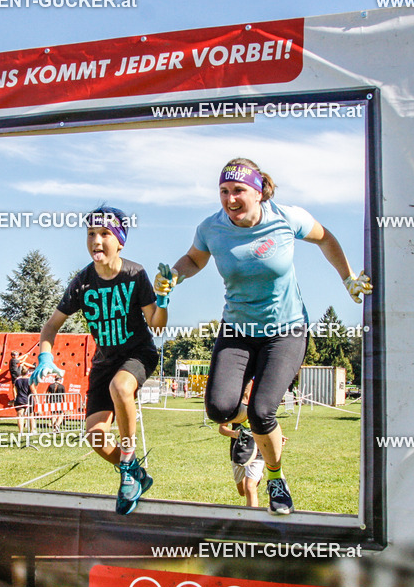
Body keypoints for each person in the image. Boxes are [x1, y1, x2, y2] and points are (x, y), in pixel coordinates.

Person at [155, 158, 371, 515]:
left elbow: (326, 238)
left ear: (258, 192)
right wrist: (174, 277)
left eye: (238, 190)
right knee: (219, 409)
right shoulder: (211, 228)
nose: (230, 199)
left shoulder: (286, 218)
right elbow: (194, 259)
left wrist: (347, 277)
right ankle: (263, 431)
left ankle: (276, 478)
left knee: (260, 411)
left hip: (285, 331)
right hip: (237, 330)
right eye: (224, 191)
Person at [32, 205, 167, 515]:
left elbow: (157, 325)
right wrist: (44, 355)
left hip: (138, 354)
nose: (96, 240)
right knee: (95, 437)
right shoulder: (82, 281)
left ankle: (129, 458)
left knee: (121, 388)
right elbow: (51, 325)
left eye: (105, 233)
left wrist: (165, 300)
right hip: (104, 361)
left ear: (120, 240)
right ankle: (134, 474)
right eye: (91, 233)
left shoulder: (136, 274)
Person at [218, 380, 266, 507]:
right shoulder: (233, 406)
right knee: (243, 491)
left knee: (250, 487)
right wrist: (233, 433)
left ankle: (251, 522)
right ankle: (256, 478)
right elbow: (222, 428)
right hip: (238, 450)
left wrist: (279, 437)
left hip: (258, 448)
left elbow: (270, 425)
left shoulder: (258, 403)